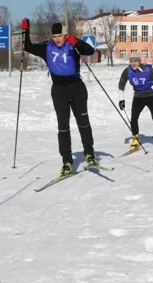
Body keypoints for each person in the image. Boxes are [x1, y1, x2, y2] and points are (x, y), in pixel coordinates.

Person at [21, 19, 98, 175]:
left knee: (83, 122)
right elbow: (27, 46)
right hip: (59, 91)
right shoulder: (46, 48)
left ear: (65, 35)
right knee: (63, 127)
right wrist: (25, 31)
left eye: (60, 35)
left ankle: (89, 154)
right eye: (54, 36)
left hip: (77, 88)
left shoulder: (73, 45)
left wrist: (76, 41)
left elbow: (90, 50)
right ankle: (67, 161)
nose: (57, 39)